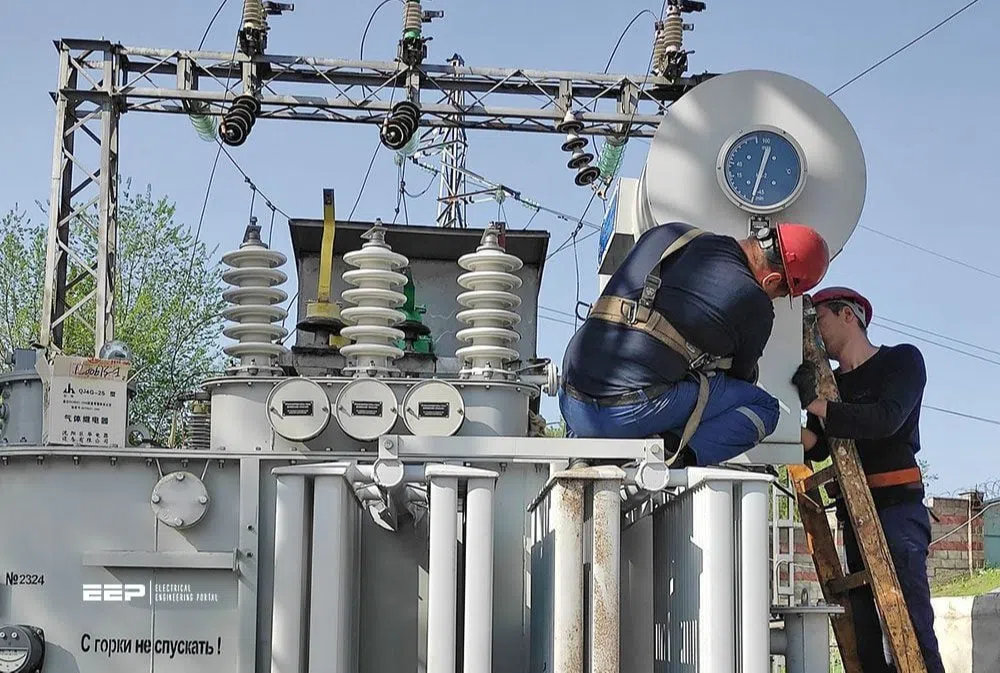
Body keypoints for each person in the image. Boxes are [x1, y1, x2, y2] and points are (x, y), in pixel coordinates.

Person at [558, 220, 831, 466]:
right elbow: (739, 379)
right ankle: (668, 453)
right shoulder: (755, 304)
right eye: (782, 293)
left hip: (570, 401)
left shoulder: (674, 233)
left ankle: (588, 447)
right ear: (772, 280)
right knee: (765, 408)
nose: (777, 299)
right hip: (623, 414)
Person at [791, 286, 945, 673]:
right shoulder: (828, 385)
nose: (813, 332)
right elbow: (820, 447)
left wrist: (818, 404)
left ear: (849, 316)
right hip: (853, 515)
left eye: (818, 319)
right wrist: (776, 422)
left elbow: (886, 418)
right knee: (864, 637)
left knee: (910, 626)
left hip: (897, 510)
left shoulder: (902, 361)